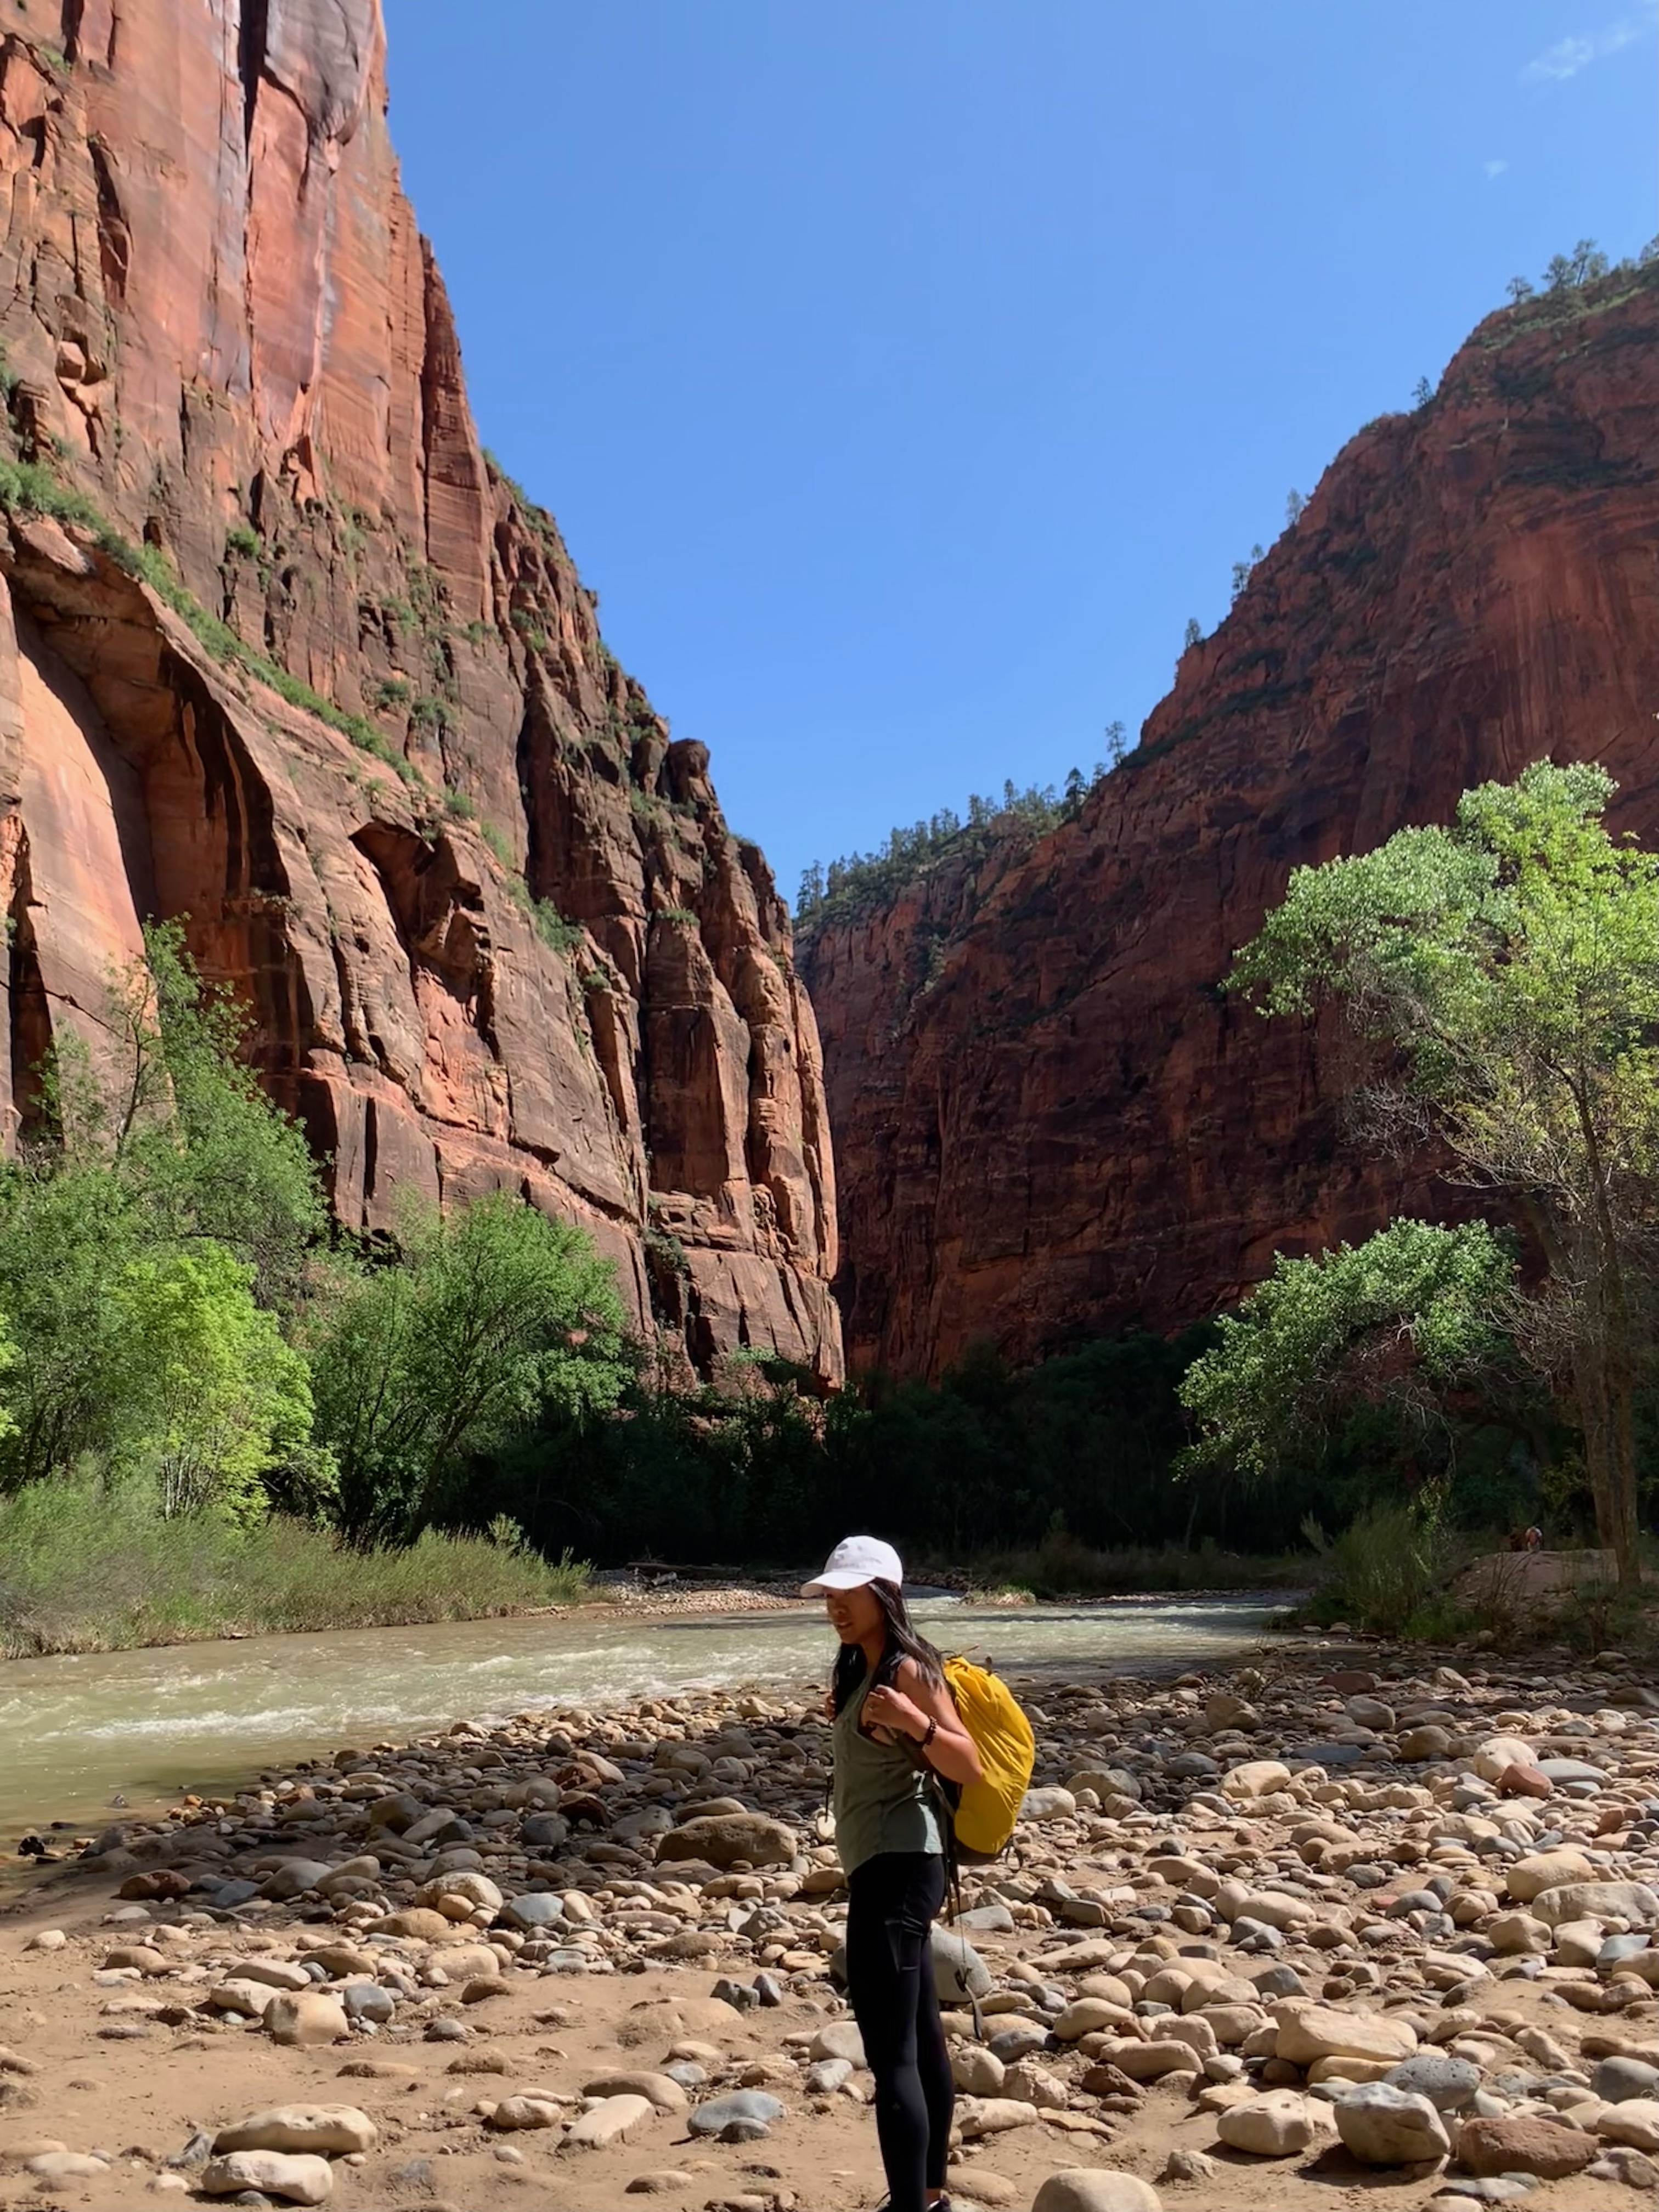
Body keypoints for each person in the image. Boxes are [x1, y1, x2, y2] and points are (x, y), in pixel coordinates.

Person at [803, 1535, 984, 2212]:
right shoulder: (859, 1668)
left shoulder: (909, 1670)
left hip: (900, 1867)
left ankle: (910, 2206)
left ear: (886, 1595)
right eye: (831, 1595)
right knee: (921, 2039)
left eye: (850, 1593)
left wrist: (917, 1722)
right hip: (889, 1864)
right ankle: (929, 2196)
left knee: (892, 2056)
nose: (838, 1606)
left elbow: (969, 1765)